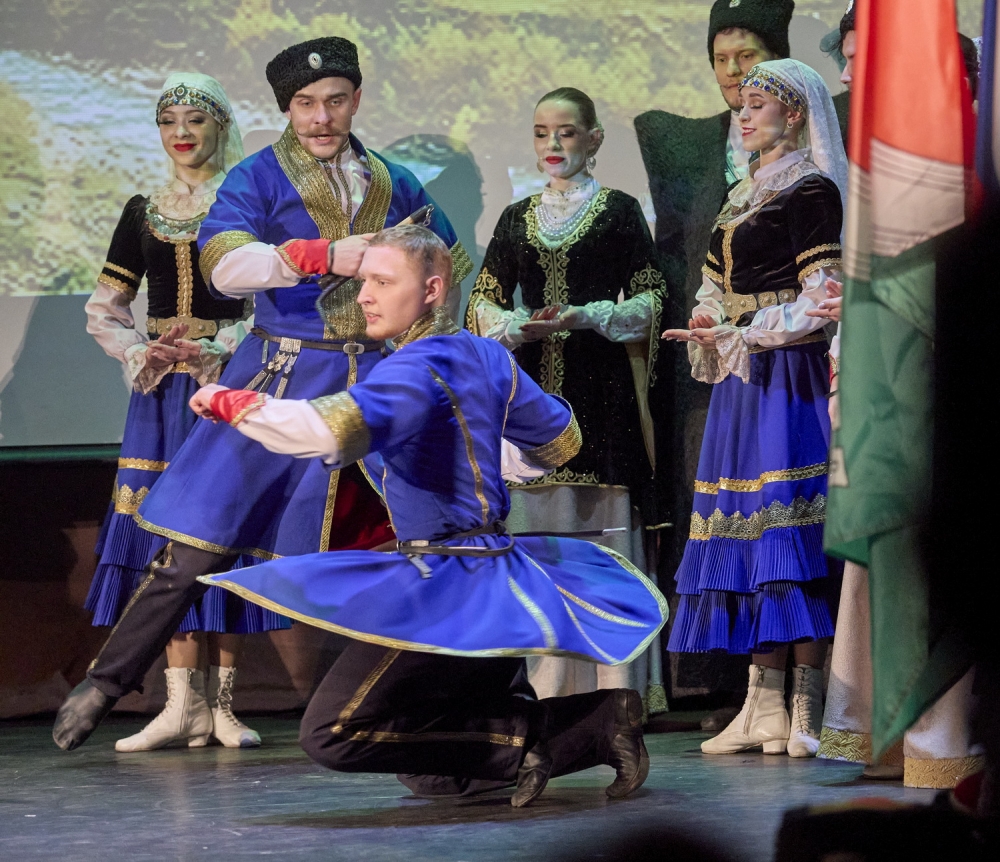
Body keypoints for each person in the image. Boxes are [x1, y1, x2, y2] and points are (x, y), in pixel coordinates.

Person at [53, 37, 469, 752]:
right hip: (281, 373)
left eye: (334, 101)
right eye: (306, 104)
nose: (321, 117)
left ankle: (464, 703)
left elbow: (447, 265)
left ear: (356, 100)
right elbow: (224, 267)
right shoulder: (257, 176)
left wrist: (434, 346)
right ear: (287, 109)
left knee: (430, 543)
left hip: (377, 381)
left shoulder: (397, 181)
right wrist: (319, 255)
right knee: (195, 539)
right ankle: (107, 680)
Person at [191, 224, 668, 807]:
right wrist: (485, 454)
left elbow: (326, 431)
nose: (365, 296)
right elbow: (559, 439)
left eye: (383, 282)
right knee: (430, 772)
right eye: (364, 281)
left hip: (449, 585)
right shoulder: (484, 353)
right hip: (495, 576)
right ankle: (585, 724)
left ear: (433, 290)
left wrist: (232, 400)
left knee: (333, 732)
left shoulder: (416, 367)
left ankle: (541, 735)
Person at [83, 72, 284, 751]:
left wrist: (221, 348)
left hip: (226, 385)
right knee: (161, 537)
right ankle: (179, 705)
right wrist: (142, 350)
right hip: (163, 393)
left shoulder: (245, 202)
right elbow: (107, 306)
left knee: (222, 531)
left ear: (219, 126)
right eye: (169, 120)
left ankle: (221, 706)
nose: (181, 132)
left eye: (195, 120)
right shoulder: (144, 210)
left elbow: (270, 303)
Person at [811, 6, 984, 789]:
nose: (851, 75)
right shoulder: (880, 165)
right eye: (849, 59)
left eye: (864, 58)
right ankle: (885, 730)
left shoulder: (950, 171)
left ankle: (941, 736)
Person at [662, 58, 847, 758]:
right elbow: (714, 285)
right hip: (743, 377)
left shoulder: (810, 189)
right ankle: (761, 702)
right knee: (747, 536)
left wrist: (748, 331)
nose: (743, 115)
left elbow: (820, 297)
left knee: (789, 530)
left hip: (787, 374)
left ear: (794, 115)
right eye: (740, 104)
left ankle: (808, 705)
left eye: (758, 104)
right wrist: (710, 320)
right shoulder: (742, 193)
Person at [465, 87, 667, 707]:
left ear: (595, 138)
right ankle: (547, 691)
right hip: (531, 397)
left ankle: (615, 691)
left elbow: (651, 297)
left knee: (602, 543)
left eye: (567, 132)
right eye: (541, 132)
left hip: (600, 392)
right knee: (538, 546)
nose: (553, 144)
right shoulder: (516, 218)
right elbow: (481, 302)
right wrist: (514, 325)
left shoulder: (618, 212)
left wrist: (591, 315)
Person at [633, 0, 800, 719]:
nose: (733, 72)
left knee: (779, 507)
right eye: (721, 59)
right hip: (707, 361)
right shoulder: (691, 147)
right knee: (714, 504)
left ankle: (795, 681)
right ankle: (721, 680)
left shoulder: (810, 153)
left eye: (747, 56)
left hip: (786, 354)